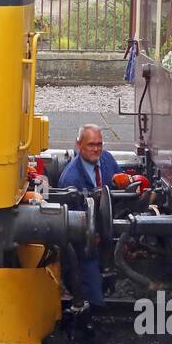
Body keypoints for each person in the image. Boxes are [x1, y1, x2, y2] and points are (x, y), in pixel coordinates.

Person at [57, 124, 123, 310]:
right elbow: (71, 229)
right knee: (93, 298)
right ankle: (87, 321)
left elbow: (120, 183)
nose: (96, 149)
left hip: (107, 235)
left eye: (99, 144)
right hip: (84, 248)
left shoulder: (107, 159)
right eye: (91, 144)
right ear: (79, 144)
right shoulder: (70, 179)